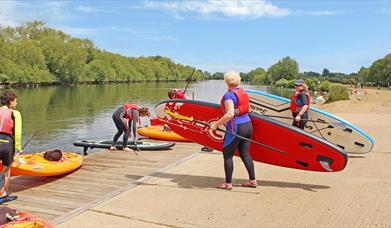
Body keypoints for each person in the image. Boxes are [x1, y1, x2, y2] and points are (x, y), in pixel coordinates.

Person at [210, 71, 256, 190]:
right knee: (245, 154)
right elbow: (248, 108)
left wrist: (216, 125)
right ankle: (252, 181)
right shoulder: (243, 92)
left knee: (228, 155)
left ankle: (228, 184)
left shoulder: (229, 96)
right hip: (248, 125)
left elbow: (230, 113)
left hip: (236, 128)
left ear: (226, 81)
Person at [0, 90, 22, 202]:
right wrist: (18, 147)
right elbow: (17, 133)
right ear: (11, 102)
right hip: (7, 144)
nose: (16, 103)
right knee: (6, 170)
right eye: (15, 101)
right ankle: (3, 195)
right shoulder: (15, 113)